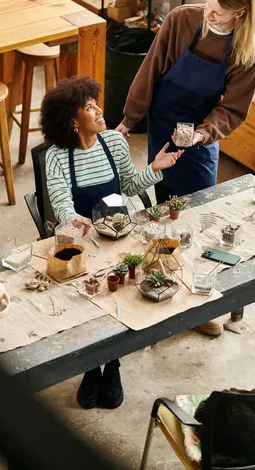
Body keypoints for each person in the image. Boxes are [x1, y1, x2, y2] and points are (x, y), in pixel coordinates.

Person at [41, 76, 183, 410]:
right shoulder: (57, 157)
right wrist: (77, 220)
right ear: (73, 122)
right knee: (89, 300)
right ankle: (92, 367)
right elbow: (61, 204)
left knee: (122, 294)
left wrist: (155, 168)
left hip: (121, 232)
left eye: (96, 102)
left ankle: (114, 363)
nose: (99, 110)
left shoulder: (114, 144)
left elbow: (132, 187)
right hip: (85, 239)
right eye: (90, 107)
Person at [116, 0, 255, 204]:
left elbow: (233, 108)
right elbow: (150, 71)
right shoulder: (181, 19)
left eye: (217, 13)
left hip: (201, 133)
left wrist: (202, 134)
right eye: (208, 5)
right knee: (165, 199)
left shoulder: (246, 54)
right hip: (162, 123)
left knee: (200, 201)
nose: (208, 15)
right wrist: (129, 119)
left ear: (239, 14)